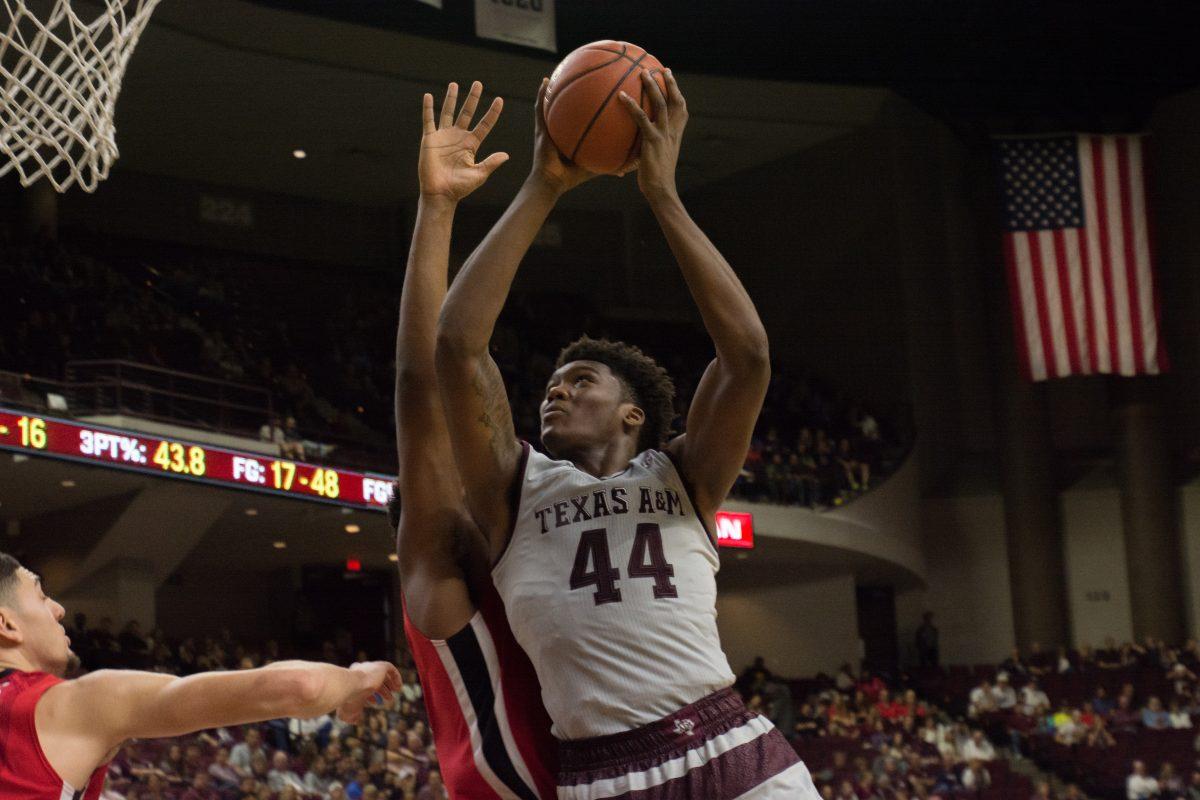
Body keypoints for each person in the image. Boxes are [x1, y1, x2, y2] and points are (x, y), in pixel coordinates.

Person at [435, 71, 814, 797]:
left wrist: (662, 196)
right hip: (607, 775)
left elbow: (749, 357)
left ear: (632, 414)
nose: (557, 388)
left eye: (582, 381)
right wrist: (542, 185)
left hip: (729, 746)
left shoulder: (684, 477)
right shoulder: (513, 488)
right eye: (552, 381)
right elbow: (456, 345)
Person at [389, 81, 556, 799]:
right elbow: (421, 385)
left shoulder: (527, 567)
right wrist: (437, 209)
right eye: (453, 470)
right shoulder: (442, 569)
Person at [0, 552, 399, 799]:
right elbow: (300, 687)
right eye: (39, 594)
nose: (58, 609)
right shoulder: (68, 707)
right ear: (7, 624)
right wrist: (357, 679)